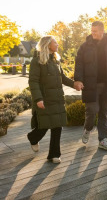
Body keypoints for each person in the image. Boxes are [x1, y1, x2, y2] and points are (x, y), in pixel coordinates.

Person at [74, 21, 107, 150]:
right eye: (92, 30)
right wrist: (78, 80)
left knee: (103, 113)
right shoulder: (85, 47)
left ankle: (103, 140)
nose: (92, 33)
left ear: (102, 31)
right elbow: (79, 64)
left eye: (95, 31)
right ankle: (88, 128)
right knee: (92, 110)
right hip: (91, 85)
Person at [27, 35, 78, 163]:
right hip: (44, 99)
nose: (57, 44)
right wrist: (38, 98)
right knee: (43, 126)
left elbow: (63, 78)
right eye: (55, 42)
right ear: (48, 44)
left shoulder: (56, 60)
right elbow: (33, 82)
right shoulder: (36, 61)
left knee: (57, 126)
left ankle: (54, 154)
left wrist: (74, 84)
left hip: (57, 99)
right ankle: (33, 138)